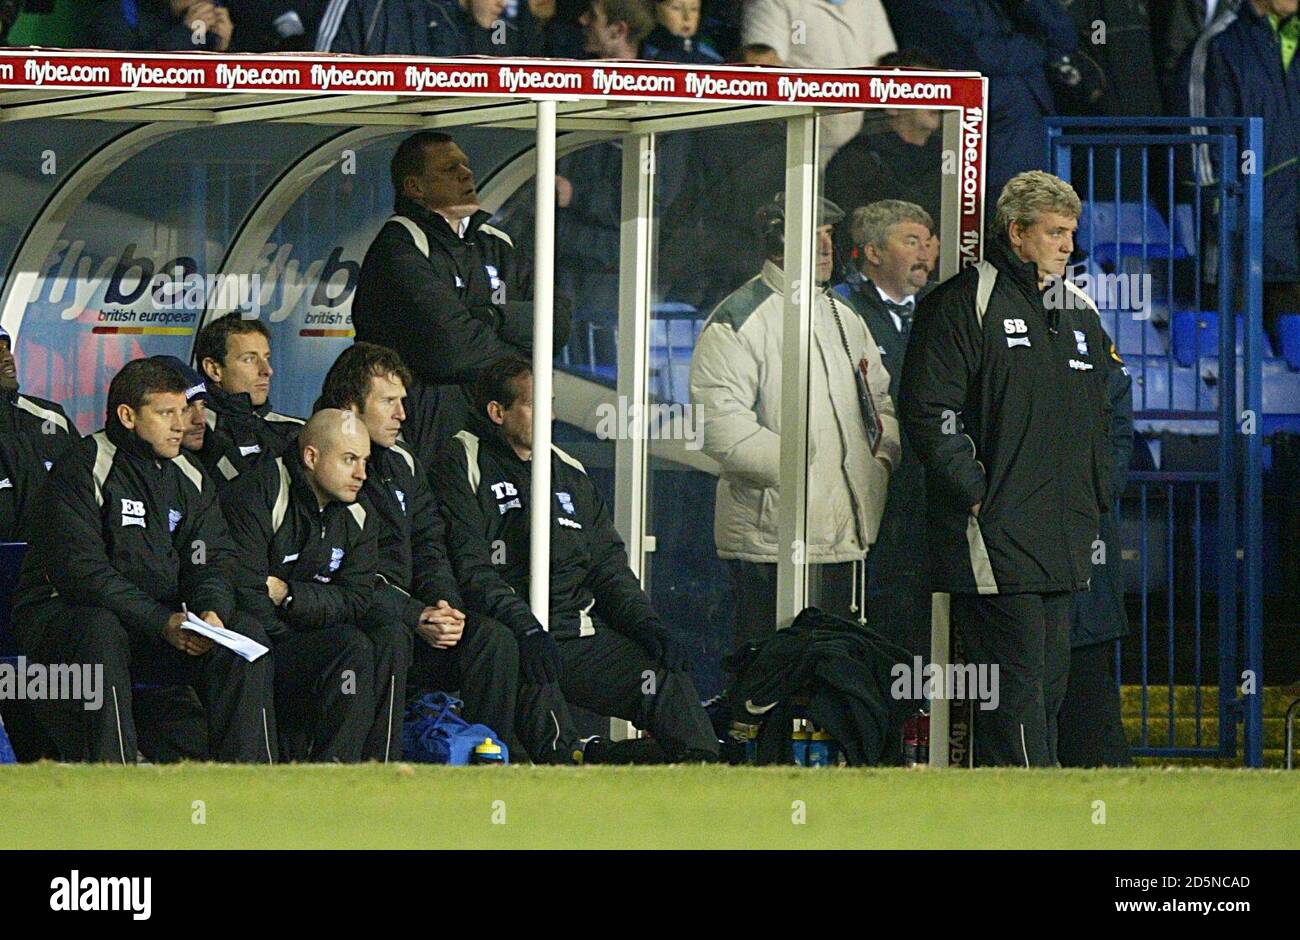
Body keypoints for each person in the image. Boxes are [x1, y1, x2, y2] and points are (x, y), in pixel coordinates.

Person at [898, 170, 1115, 767]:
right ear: (1016, 232)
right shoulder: (962, 304)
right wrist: (976, 495)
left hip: (1065, 532)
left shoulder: (1079, 314)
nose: (1068, 246)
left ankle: (1030, 808)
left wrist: (1098, 489)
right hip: (996, 533)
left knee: (1050, 685)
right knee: (1016, 689)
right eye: (1054, 232)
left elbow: (1109, 409)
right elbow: (927, 409)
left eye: (1072, 233)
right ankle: (1026, 812)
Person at [434, 356, 720, 764]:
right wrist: (528, 629)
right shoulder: (462, 458)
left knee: (662, 680)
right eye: (536, 405)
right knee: (540, 684)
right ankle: (579, 759)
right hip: (514, 636)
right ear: (498, 412)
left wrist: (648, 626)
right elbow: (471, 568)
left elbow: (608, 566)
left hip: (575, 636)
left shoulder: (568, 471)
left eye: (552, 403)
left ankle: (705, 771)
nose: (550, 416)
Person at [11, 358, 275, 764]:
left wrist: (211, 611)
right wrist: (160, 621)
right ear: (128, 416)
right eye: (166, 413)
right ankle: (113, 775)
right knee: (100, 630)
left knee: (244, 635)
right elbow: (84, 575)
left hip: (157, 626)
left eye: (183, 412)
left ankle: (245, 782)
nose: (181, 424)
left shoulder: (190, 474)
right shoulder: (83, 467)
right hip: (65, 622)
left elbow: (213, 557)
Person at [689, 195, 900, 651]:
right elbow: (719, 427)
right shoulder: (739, 318)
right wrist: (799, 474)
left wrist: (878, 464)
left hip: (844, 536)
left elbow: (879, 402)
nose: (827, 246)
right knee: (768, 677)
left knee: (831, 683)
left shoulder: (843, 315)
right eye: (814, 234)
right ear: (777, 242)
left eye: (829, 234)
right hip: (770, 542)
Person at [317, 342, 533, 760]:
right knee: (389, 636)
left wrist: (444, 607)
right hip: (363, 617)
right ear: (350, 405)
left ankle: (490, 759)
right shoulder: (326, 464)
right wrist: (414, 615)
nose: (403, 414)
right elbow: (344, 573)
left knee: (493, 640)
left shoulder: (404, 462)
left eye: (403, 401)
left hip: (419, 617)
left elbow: (430, 544)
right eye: (389, 402)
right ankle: (382, 766)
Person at [352, 131, 569, 473]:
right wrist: (521, 348)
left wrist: (491, 318)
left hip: (494, 441)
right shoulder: (399, 246)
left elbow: (557, 324)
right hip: (427, 441)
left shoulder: (497, 242)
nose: (467, 174)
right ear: (415, 187)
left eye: (465, 165)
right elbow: (450, 348)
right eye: (450, 169)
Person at [833, 200, 934, 659]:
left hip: (925, 494)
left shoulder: (941, 310)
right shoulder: (837, 311)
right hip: (865, 489)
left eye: (928, 241)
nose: (926, 252)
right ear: (872, 253)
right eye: (911, 241)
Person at [1187, 0, 1300, 347]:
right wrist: (1223, 211)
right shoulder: (1221, 42)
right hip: (1241, 246)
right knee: (1233, 367)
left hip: (1291, 244)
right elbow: (1203, 140)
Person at [884, 0, 1078, 195]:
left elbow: (1064, 36)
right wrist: (1041, 47)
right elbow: (980, 55)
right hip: (986, 143)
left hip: (1035, 132)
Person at [1058, 337, 1135, 768]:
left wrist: (1090, 492)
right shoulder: (985, 315)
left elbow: (1115, 441)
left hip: (1083, 579)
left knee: (1088, 716)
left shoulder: (1085, 327)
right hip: (1021, 566)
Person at [824, 49, 944, 277]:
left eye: (939, 89)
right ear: (892, 104)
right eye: (924, 89)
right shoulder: (857, 162)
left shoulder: (952, 157)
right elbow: (849, 240)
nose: (937, 100)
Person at [739, 0, 896, 167]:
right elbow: (762, 69)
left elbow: (886, 67)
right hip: (795, 148)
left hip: (856, 150)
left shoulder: (868, 3)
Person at [194, 313, 304, 485]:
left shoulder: (297, 432)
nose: (267, 370)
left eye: (266, 358)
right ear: (214, 369)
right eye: (249, 359)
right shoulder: (193, 433)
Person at [317, 0, 542, 55]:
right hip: (360, 131)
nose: (503, 3)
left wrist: (481, 30)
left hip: (425, 136)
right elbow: (319, 69)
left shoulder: (450, 17)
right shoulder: (369, 5)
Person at [89, 0, 234, 50]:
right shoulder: (120, 11)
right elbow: (125, 76)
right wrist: (185, 34)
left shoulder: (211, 16)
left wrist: (222, 50)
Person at [642, 0, 723, 62]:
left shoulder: (713, 60)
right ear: (656, 10)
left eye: (694, 9)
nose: (687, 17)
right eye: (676, 8)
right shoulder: (641, 54)